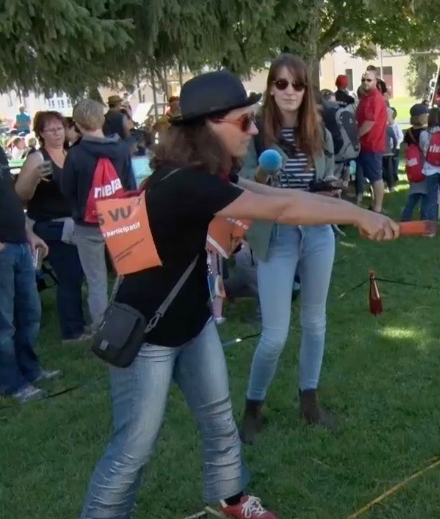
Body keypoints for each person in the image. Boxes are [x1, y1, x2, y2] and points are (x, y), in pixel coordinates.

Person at [80, 69, 398, 519]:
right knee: (134, 446)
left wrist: (351, 210)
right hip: (147, 335)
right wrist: (356, 216)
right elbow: (283, 208)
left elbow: (289, 196)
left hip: (192, 323)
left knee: (219, 421)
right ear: (209, 126)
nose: (253, 131)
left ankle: (231, 499)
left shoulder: (201, 174)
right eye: (243, 122)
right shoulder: (189, 184)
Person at [237, 53, 336, 443]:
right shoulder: (256, 132)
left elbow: (325, 175)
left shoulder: (319, 130)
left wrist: (331, 187)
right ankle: (252, 408)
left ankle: (309, 401)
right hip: (275, 236)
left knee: (315, 322)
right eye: (281, 84)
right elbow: (243, 184)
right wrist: (263, 169)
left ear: (306, 89)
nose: (290, 91)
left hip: (317, 233)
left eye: (297, 84)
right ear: (271, 89)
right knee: (274, 334)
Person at [0, 74, 60, 402]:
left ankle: (31, 371)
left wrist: (27, 231)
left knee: (29, 314)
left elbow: (11, 197)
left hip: (17, 244)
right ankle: (11, 385)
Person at [61, 99, 136, 329]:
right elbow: (128, 183)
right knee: (127, 272)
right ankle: (131, 317)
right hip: (118, 217)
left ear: (77, 124)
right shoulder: (121, 149)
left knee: (96, 279)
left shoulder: (75, 154)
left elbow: (67, 190)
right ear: (102, 120)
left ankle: (103, 326)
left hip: (88, 223)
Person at [15, 111, 89, 343]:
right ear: (41, 134)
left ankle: (78, 323)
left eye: (61, 127)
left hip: (73, 222)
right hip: (49, 226)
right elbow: (20, 195)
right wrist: (35, 177)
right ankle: (72, 331)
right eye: (52, 129)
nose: (58, 133)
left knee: (78, 274)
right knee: (70, 275)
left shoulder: (70, 154)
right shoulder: (37, 159)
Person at [356, 69, 388, 213]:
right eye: (363, 80)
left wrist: (356, 136)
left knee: (376, 177)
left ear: (375, 81)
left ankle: (378, 208)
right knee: (372, 176)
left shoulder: (375, 97)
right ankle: (375, 205)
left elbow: (369, 121)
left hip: (372, 143)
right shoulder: (367, 97)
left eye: (369, 80)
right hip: (366, 143)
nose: (365, 83)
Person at [401, 104, 429, 221]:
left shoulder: (408, 132)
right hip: (424, 166)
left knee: (413, 195)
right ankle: (424, 219)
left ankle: (405, 218)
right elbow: (426, 149)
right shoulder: (424, 133)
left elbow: (407, 148)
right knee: (426, 196)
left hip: (413, 166)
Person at [420, 107, 440, 222]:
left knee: (431, 198)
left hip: (430, 169)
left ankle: (431, 227)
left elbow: (423, 149)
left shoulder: (424, 134)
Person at [382, 108, 397, 193]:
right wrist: (394, 150)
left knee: (381, 169)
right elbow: (395, 140)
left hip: (380, 152)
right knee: (389, 170)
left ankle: (383, 183)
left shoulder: (378, 128)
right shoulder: (389, 128)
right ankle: (390, 186)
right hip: (388, 152)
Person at [390, 107, 403, 182]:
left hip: (396, 147)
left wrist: (396, 143)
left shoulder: (397, 126)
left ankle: (395, 174)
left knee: (395, 160)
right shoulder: (386, 126)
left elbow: (401, 136)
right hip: (389, 147)